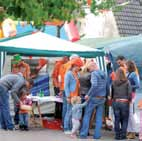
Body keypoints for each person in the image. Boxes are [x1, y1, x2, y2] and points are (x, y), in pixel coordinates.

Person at [79, 61, 107, 139]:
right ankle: (97, 135)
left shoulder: (94, 74)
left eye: (89, 68)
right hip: (102, 98)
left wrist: (88, 94)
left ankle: (83, 134)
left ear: (93, 66)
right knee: (99, 117)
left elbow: (94, 85)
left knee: (87, 115)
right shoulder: (103, 73)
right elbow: (107, 85)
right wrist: (106, 95)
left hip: (94, 98)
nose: (89, 70)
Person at [64, 57, 83, 134]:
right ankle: (66, 128)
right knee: (69, 112)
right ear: (75, 65)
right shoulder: (68, 74)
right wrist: (68, 96)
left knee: (74, 114)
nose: (79, 68)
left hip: (76, 97)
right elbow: (66, 86)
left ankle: (72, 129)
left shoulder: (77, 73)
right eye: (79, 66)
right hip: (71, 96)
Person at [111, 68, 132, 140]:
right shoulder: (127, 82)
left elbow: (112, 94)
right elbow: (129, 93)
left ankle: (117, 136)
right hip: (124, 102)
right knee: (125, 119)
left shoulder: (114, 82)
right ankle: (123, 136)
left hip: (116, 102)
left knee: (117, 119)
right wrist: (129, 100)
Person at [126, 60, 140, 139]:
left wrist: (129, 87)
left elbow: (137, 85)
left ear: (129, 66)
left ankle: (133, 132)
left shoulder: (134, 74)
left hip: (131, 95)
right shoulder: (128, 74)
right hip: (128, 94)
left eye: (126, 65)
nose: (125, 67)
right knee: (129, 113)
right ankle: (130, 131)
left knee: (131, 114)